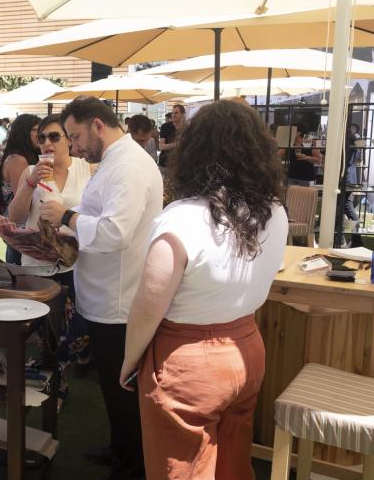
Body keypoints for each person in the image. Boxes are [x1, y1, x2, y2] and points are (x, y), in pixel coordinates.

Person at [120, 100, 287, 480]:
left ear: (193, 150)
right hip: (246, 347)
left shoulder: (180, 219)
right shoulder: (274, 211)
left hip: (187, 360)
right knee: (233, 463)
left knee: (181, 469)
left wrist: (130, 365)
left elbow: (148, 308)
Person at [39, 96, 161, 480]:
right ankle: (121, 449)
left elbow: (115, 232)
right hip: (106, 293)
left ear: (97, 125)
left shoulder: (127, 165)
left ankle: (131, 468)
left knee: (122, 390)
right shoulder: (116, 162)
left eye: (74, 137)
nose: (73, 147)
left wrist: (67, 215)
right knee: (114, 389)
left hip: (119, 301)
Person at [7, 114, 94, 404]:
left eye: (54, 137)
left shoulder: (88, 169)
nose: (46, 143)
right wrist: (29, 182)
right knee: (47, 331)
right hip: (38, 265)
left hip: (77, 263)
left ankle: (61, 367)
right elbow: (15, 217)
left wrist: (67, 215)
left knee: (78, 328)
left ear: (69, 140)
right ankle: (54, 384)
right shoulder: (31, 171)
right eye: (41, 138)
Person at [0, 114, 41, 264]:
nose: (41, 135)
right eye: (37, 130)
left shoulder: (27, 156)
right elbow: (25, 198)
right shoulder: (18, 160)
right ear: (23, 132)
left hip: (22, 230)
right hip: (20, 231)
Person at [158, 105, 186, 171]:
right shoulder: (165, 126)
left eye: (176, 113)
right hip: (165, 164)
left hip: (181, 164)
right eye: (172, 113)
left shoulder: (187, 127)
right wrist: (177, 144)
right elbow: (161, 146)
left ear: (183, 114)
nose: (173, 115)